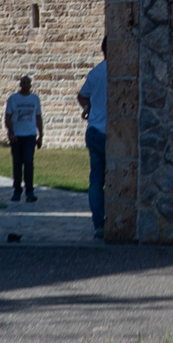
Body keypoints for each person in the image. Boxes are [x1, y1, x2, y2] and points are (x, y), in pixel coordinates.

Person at [75, 41, 109, 237]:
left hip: (94, 130)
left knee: (96, 180)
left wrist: (88, 108)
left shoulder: (95, 73)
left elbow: (82, 96)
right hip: (110, 132)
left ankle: (99, 224)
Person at [3, 77, 43, 202]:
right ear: (20, 84)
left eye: (27, 83)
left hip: (30, 135)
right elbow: (8, 118)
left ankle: (30, 191)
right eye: (23, 83)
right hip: (17, 136)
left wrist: (40, 135)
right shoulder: (13, 99)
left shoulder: (35, 99)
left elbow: (38, 117)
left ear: (30, 85)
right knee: (17, 163)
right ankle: (17, 190)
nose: (25, 85)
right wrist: (11, 133)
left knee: (28, 162)